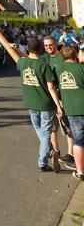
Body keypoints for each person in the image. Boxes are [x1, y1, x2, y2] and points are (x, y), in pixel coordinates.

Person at [16, 38, 63, 172]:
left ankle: (49, 153)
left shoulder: (23, 63)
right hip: (46, 104)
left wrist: (15, 50)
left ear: (27, 49)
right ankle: (43, 162)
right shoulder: (44, 65)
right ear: (40, 49)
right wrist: (58, 106)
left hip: (31, 103)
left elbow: (19, 60)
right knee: (45, 134)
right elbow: (51, 88)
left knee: (40, 131)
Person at [42, 35, 75, 169]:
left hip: (62, 97)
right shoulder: (44, 58)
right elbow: (29, 59)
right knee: (53, 128)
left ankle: (70, 154)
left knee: (67, 127)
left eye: (50, 45)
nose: (48, 47)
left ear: (55, 44)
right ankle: (56, 152)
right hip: (50, 97)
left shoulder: (62, 57)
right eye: (45, 46)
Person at [55, 45, 84, 181]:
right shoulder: (81, 68)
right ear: (75, 55)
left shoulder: (59, 68)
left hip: (71, 109)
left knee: (79, 140)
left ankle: (80, 171)